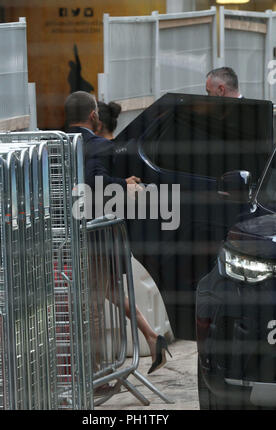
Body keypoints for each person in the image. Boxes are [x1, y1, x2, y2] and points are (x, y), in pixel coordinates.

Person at [64, 92, 171, 376]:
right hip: (95, 237)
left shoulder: (57, 143)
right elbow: (94, 181)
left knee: (101, 300)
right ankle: (141, 345)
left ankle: (100, 369)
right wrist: (123, 184)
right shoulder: (97, 145)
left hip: (76, 236)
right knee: (102, 300)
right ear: (94, 115)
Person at [95, 99, 172, 374]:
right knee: (112, 294)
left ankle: (100, 371)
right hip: (118, 235)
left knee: (98, 299)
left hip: (102, 238)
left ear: (96, 122)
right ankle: (153, 338)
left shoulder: (103, 152)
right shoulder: (126, 149)